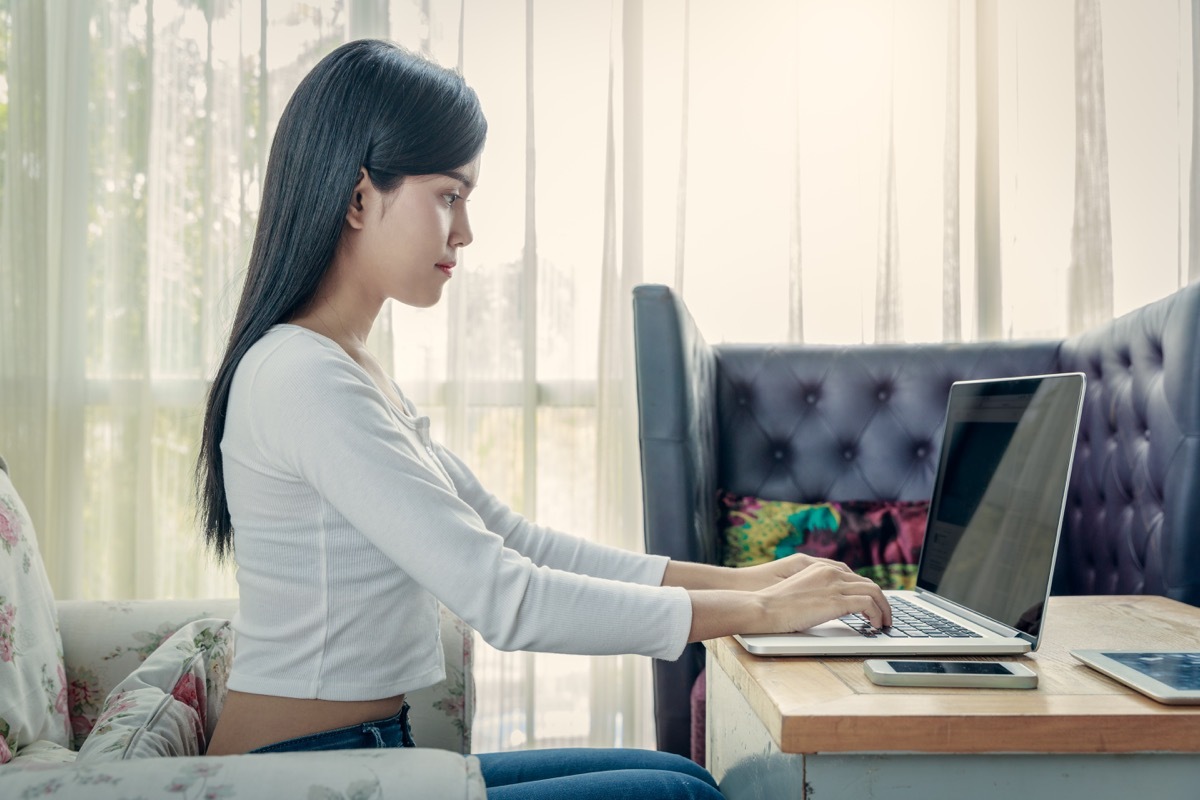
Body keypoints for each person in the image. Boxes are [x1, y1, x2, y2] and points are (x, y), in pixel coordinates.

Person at [195, 39, 890, 799]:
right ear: (360, 197)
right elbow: (507, 598)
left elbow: (515, 542)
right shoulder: (302, 377)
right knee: (680, 797)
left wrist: (751, 578)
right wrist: (757, 610)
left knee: (679, 776)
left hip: (365, 754)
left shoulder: (345, 369)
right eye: (449, 196)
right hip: (303, 777)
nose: (465, 232)